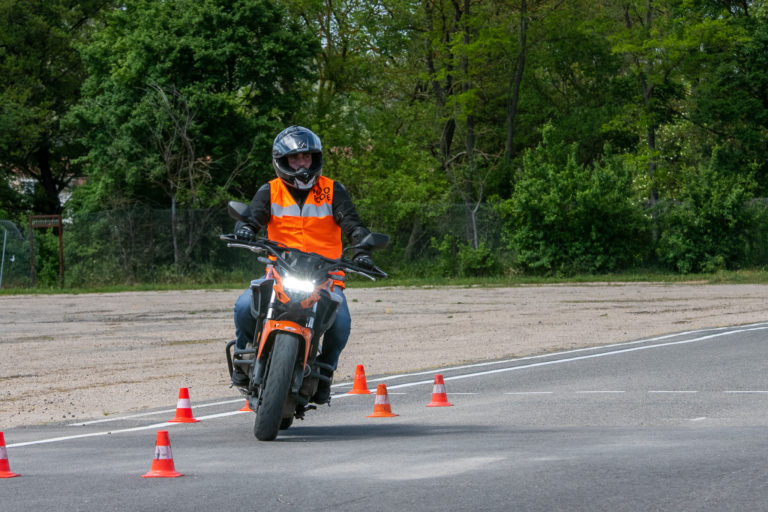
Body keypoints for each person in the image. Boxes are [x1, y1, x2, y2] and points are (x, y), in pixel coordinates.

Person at [231, 125, 376, 404]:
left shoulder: (332, 190)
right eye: (296, 159)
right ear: (283, 162)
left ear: (315, 159)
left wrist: (362, 250)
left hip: (325, 276)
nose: (302, 164)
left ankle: (325, 371)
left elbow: (353, 225)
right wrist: (245, 229)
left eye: (307, 158)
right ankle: (243, 355)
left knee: (341, 323)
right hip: (280, 272)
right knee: (242, 306)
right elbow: (252, 218)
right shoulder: (270, 190)